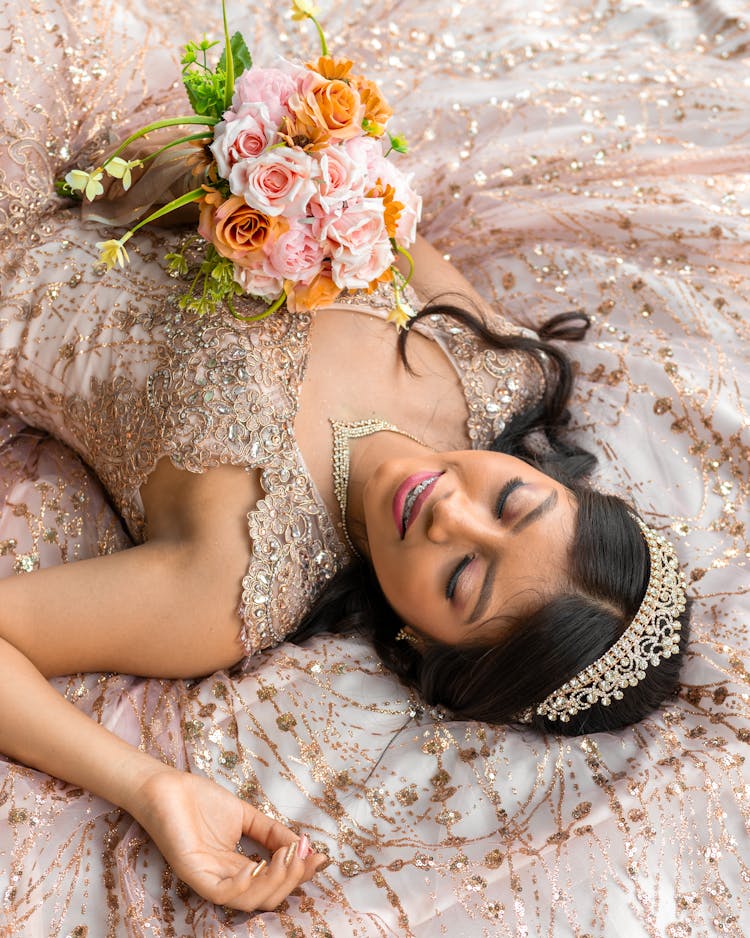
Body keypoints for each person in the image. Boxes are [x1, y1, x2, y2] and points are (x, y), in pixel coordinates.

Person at [0, 5, 690, 918]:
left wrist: (147, 787)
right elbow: (376, 207)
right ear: (547, 476)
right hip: (102, 95)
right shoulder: (486, 366)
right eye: (513, 504)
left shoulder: (234, 587)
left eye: (462, 582)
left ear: (420, 642)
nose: (452, 515)